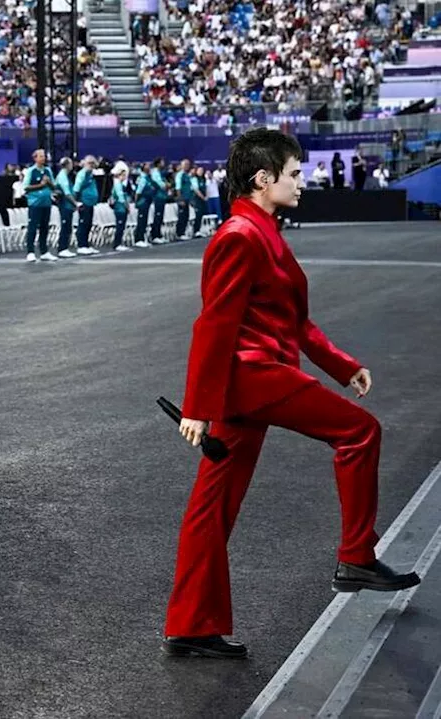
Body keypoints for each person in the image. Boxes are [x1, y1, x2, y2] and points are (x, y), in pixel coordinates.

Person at [162, 128, 421, 660]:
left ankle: (191, 624)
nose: (303, 182)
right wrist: (198, 408)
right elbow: (213, 326)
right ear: (264, 179)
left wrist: (343, 366)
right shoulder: (239, 235)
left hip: (252, 382)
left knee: (211, 509)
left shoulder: (263, 232)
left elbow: (295, 322)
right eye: (295, 174)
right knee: (359, 432)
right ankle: (356, 556)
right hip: (256, 379)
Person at [22, 149, 55, 262]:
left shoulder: (48, 171)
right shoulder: (31, 171)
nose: (43, 158)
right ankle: (30, 252)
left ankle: (44, 251)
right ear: (35, 158)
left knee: (44, 227)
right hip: (35, 204)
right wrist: (40, 185)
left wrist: (48, 183)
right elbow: (26, 187)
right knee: (33, 227)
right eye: (41, 156)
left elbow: (53, 187)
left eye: (44, 156)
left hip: (46, 203)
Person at [72, 155, 101, 256]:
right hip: (83, 202)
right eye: (90, 163)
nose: (91, 165)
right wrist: (76, 202)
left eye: (93, 163)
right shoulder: (82, 174)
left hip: (90, 202)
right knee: (83, 224)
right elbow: (76, 188)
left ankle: (86, 244)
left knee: (88, 224)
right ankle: (81, 245)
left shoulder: (90, 174)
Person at [54, 157, 80, 258]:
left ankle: (65, 247)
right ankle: (62, 248)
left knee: (68, 227)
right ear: (68, 165)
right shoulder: (62, 177)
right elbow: (67, 193)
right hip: (65, 205)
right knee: (65, 227)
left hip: (68, 206)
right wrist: (75, 203)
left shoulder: (66, 176)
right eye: (71, 164)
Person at [108, 164, 132, 252]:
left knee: (121, 226)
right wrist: (127, 207)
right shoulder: (117, 184)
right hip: (120, 208)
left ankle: (119, 243)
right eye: (124, 175)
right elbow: (121, 198)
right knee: (120, 226)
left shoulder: (120, 184)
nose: (125, 177)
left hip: (121, 208)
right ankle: (117, 244)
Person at [148, 157, 170, 243]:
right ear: (158, 163)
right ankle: (155, 235)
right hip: (158, 197)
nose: (164, 164)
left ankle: (158, 234)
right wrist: (166, 185)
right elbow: (161, 184)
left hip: (162, 196)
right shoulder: (155, 173)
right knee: (157, 216)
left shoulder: (160, 173)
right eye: (162, 162)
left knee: (160, 216)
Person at [132, 161, 153, 248]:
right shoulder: (143, 178)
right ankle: (138, 239)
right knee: (141, 221)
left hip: (147, 201)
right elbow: (138, 191)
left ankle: (142, 238)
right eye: (148, 166)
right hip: (142, 202)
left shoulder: (147, 178)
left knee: (144, 221)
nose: (150, 168)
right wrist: (136, 202)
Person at [173, 158, 193, 240]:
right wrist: (180, 199)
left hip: (187, 198)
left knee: (186, 216)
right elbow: (178, 188)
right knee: (182, 216)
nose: (187, 166)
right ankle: (179, 233)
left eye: (188, 164)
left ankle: (183, 232)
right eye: (185, 164)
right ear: (182, 165)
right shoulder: (180, 175)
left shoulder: (187, 175)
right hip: (182, 199)